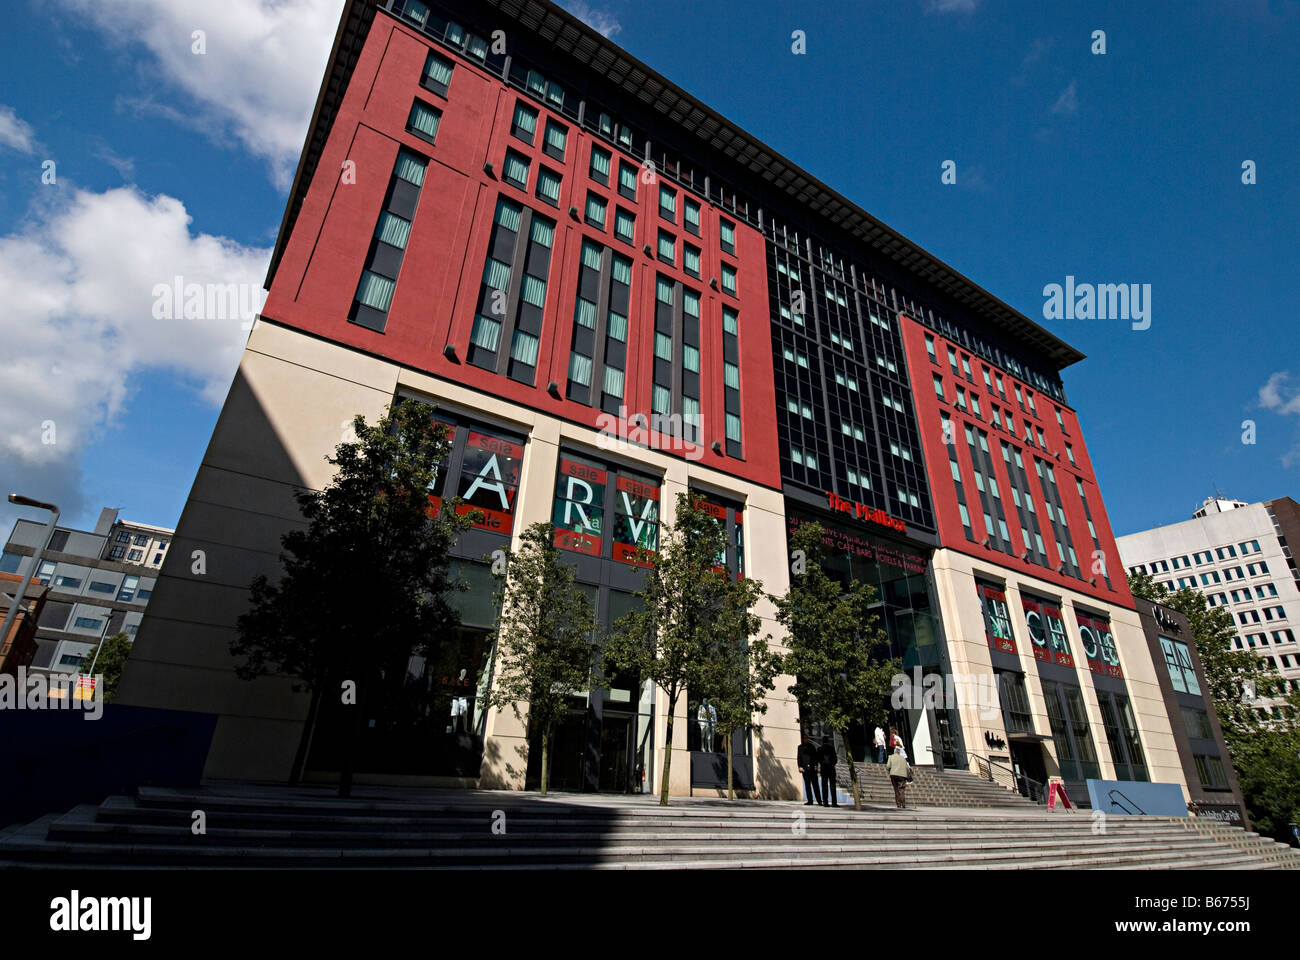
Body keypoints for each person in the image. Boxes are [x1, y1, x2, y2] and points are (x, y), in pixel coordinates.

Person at [797, 733, 822, 806]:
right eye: (804, 738)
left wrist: (816, 765)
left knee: (815, 785)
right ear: (802, 739)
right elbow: (799, 757)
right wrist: (800, 766)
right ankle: (810, 800)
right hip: (804, 768)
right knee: (807, 785)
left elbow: (815, 756)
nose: (805, 739)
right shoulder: (800, 747)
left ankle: (819, 800)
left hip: (812, 768)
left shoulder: (812, 746)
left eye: (806, 738)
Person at [818, 736, 838, 807]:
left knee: (824, 786)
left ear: (822, 741)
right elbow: (835, 759)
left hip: (824, 769)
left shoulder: (820, 749)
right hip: (831, 769)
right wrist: (831, 764)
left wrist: (822, 764)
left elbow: (818, 759)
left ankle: (825, 802)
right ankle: (834, 802)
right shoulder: (832, 748)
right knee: (833, 786)